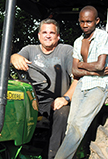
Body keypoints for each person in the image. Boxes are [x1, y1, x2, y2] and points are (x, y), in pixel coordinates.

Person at [10, 18, 77, 159]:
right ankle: (11, 150)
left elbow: (77, 78)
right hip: (31, 99)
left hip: (54, 102)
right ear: (39, 35)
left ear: (58, 36)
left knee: (63, 112)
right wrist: (14, 57)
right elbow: (16, 58)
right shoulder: (29, 50)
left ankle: (54, 155)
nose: (48, 35)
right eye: (44, 32)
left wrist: (65, 98)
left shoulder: (66, 51)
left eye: (52, 33)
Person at [55, 6, 108, 159]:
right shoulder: (78, 41)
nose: (85, 25)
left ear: (97, 21)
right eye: (82, 22)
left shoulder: (102, 36)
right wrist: (92, 71)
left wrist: (82, 65)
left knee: (78, 125)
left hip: (98, 86)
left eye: (89, 21)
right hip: (82, 85)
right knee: (71, 125)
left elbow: (101, 65)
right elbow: (75, 71)